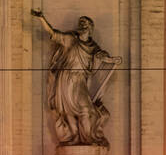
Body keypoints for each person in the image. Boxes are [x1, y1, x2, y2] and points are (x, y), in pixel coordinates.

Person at [31, 9, 122, 147]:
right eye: (80, 23)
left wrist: (113, 60)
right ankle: (75, 137)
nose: (81, 25)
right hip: (66, 78)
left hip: (80, 80)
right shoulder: (70, 39)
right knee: (68, 112)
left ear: (90, 29)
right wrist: (41, 18)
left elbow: (102, 56)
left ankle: (87, 139)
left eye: (84, 23)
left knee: (87, 110)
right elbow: (53, 33)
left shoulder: (92, 46)